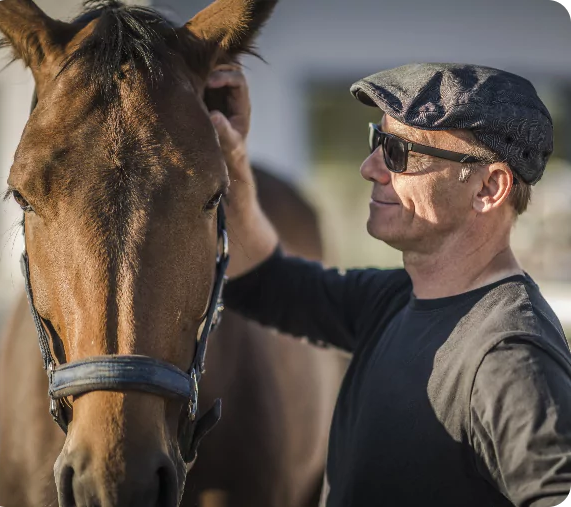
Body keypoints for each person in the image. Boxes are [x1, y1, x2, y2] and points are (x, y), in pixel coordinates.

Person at [206, 63, 571, 506]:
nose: (369, 168)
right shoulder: (396, 298)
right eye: (377, 141)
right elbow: (265, 282)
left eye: (399, 152)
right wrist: (231, 155)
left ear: (489, 187)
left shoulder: (509, 357)